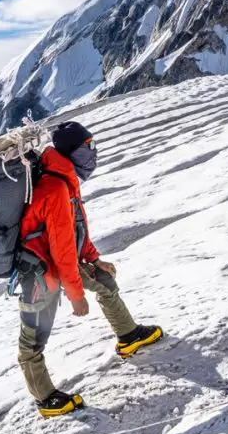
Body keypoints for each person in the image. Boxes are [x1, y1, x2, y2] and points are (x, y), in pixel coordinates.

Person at [16, 121, 163, 417]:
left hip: (58, 265)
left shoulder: (65, 178)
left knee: (105, 281)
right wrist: (75, 294)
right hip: (40, 273)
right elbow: (62, 248)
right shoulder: (55, 187)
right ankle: (46, 400)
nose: (93, 153)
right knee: (32, 339)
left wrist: (95, 261)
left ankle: (128, 336)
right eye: (88, 147)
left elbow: (75, 229)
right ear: (72, 151)